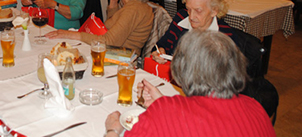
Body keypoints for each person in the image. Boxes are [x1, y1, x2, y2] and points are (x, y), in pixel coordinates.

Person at [104, 30, 276, 137]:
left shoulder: (166, 112)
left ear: (181, 71)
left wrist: (113, 130)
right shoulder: (256, 108)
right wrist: (162, 103)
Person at [46, 0, 153, 52]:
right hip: (115, 53)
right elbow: (112, 26)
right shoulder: (135, 5)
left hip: (120, 59)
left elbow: (108, 42)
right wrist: (113, 2)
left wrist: (71, 34)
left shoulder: (133, 10)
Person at [152, 0, 238, 63]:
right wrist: (159, 52)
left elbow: (223, 75)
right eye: (189, 9)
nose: (191, 16)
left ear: (214, 10)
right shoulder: (181, 18)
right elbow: (161, 45)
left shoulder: (225, 36)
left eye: (198, 11)